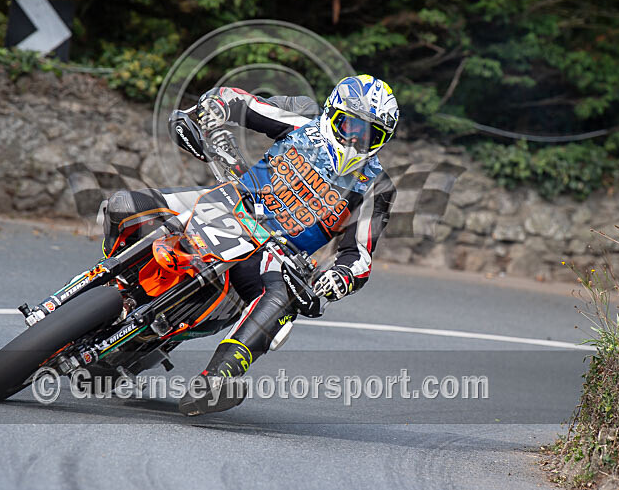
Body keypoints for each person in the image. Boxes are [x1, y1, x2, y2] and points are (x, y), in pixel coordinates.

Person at [105, 75, 399, 415]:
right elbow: (235, 100)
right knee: (123, 205)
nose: (357, 140)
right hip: (225, 206)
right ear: (332, 113)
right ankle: (111, 280)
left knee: (283, 297)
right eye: (350, 125)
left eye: (370, 134)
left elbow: (359, 253)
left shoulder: (376, 185)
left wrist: (340, 277)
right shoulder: (301, 127)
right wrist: (211, 112)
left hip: (274, 254)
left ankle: (219, 376)